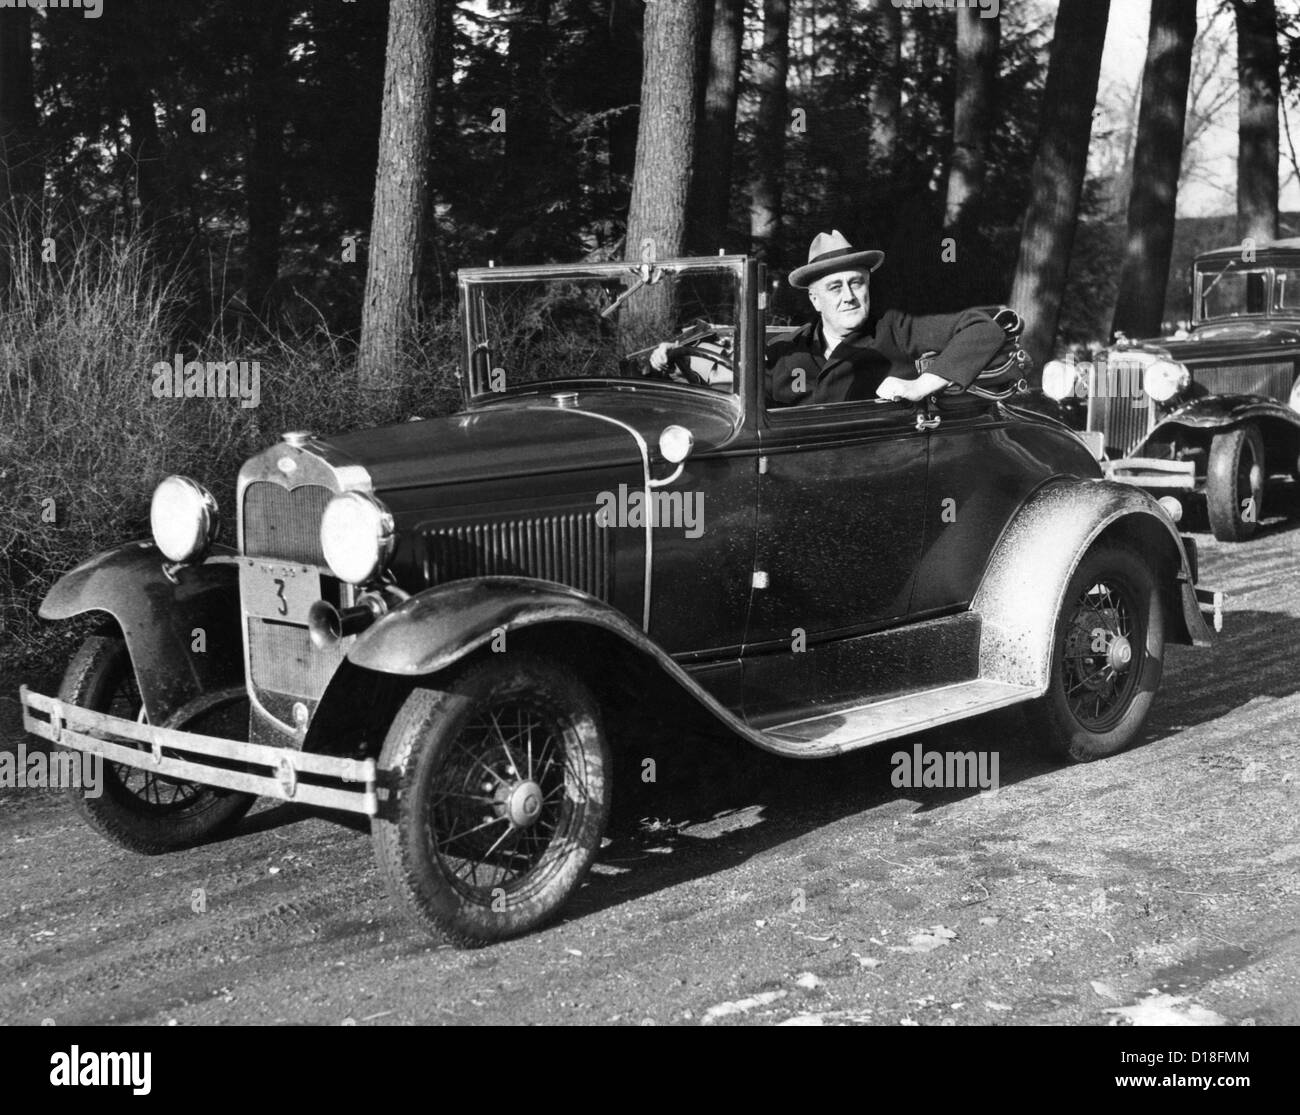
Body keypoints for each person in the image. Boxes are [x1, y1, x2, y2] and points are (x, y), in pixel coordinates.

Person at [651, 230, 1006, 406]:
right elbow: (738, 390)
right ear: (815, 298)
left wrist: (918, 387)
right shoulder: (787, 350)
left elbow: (983, 330)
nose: (849, 296)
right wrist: (670, 363)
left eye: (857, 283)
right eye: (835, 287)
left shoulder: (894, 329)